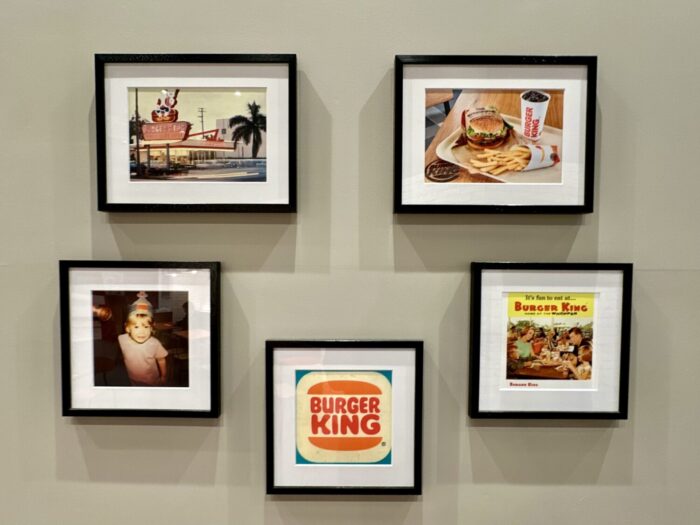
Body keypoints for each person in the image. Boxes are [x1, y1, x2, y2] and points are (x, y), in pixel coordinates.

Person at [118, 292, 168, 386]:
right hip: (132, 380)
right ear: (127, 328)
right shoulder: (121, 339)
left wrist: (163, 376)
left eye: (146, 327)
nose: (142, 331)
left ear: (152, 328)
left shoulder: (155, 343)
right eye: (136, 327)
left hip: (152, 381)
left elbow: (161, 360)